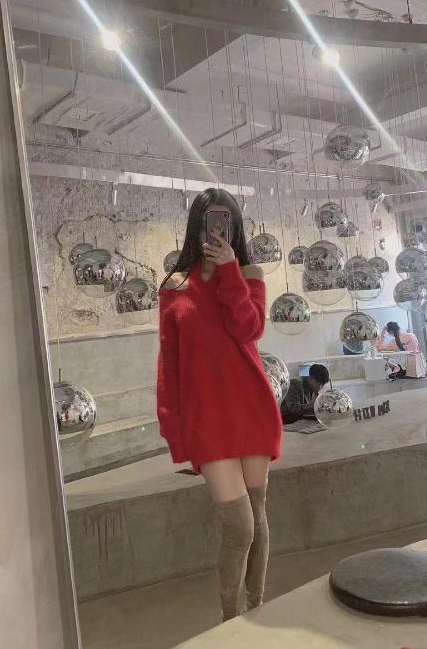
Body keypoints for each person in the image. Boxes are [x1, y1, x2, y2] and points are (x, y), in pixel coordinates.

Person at [157, 188, 283, 622]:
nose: (216, 230)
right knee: (239, 527)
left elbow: (249, 329)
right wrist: (174, 431)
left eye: (225, 222)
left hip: (251, 407)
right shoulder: (175, 285)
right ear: (197, 226)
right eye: (210, 222)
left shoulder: (249, 273)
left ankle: (257, 609)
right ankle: (232, 622)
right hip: (206, 420)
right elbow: (169, 366)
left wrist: (230, 271)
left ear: (234, 228)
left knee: (258, 516)